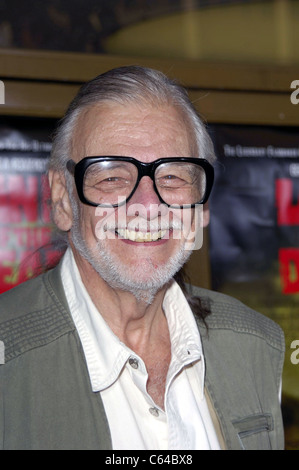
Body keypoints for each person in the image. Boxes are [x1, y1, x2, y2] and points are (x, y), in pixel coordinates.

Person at [0, 66, 284, 450]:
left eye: (173, 177)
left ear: (201, 206)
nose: (148, 207)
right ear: (63, 199)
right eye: (112, 177)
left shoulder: (256, 344)